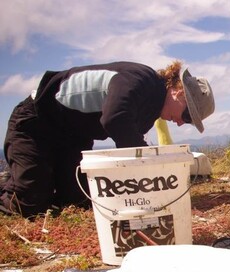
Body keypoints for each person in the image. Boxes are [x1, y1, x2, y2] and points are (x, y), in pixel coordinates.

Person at [0, 60, 214, 217]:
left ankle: (40, 185)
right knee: (29, 201)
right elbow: (115, 118)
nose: (180, 123)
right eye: (187, 116)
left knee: (79, 199)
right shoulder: (142, 80)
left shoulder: (150, 109)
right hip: (36, 123)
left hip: (71, 138)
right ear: (178, 92)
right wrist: (145, 168)